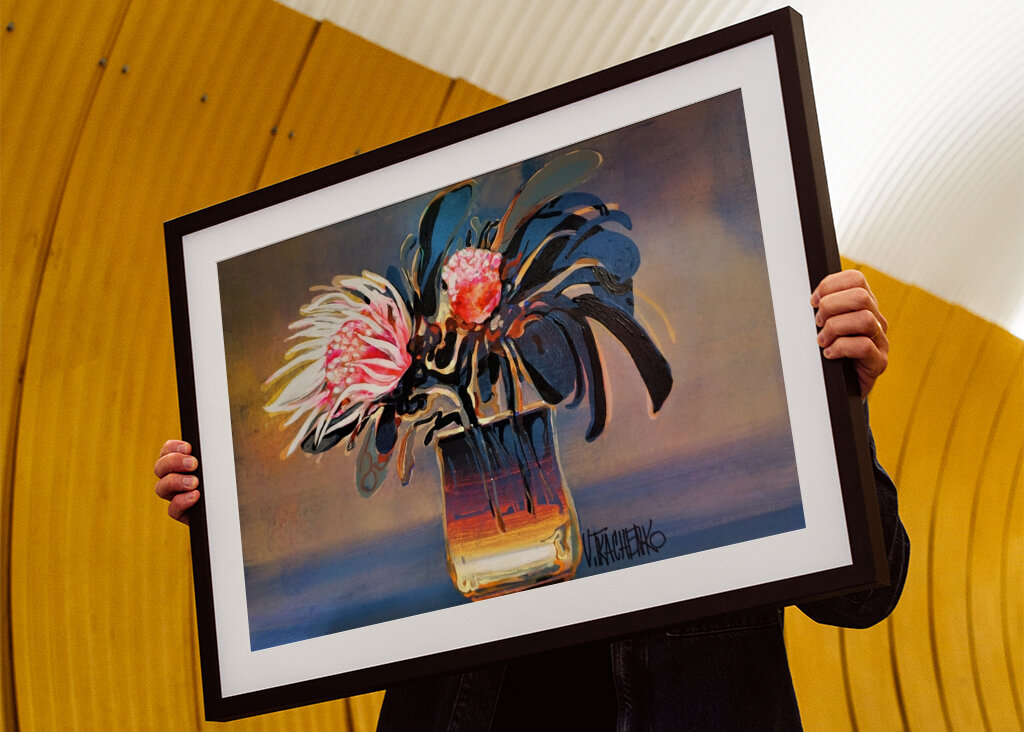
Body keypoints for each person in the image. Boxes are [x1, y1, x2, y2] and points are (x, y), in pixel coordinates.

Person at [154, 270, 909, 731]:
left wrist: (840, 404)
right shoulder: (450, 454)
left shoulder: (738, 441)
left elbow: (865, 594)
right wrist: (236, 513)